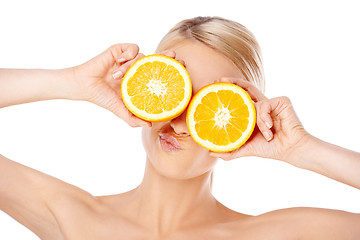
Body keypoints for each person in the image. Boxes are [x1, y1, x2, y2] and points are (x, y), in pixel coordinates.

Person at [0, 16, 359, 239]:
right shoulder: (73, 218)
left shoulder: (272, 235)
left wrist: (301, 149)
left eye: (210, 103)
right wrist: (73, 82)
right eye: (173, 94)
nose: (178, 121)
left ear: (242, 120)